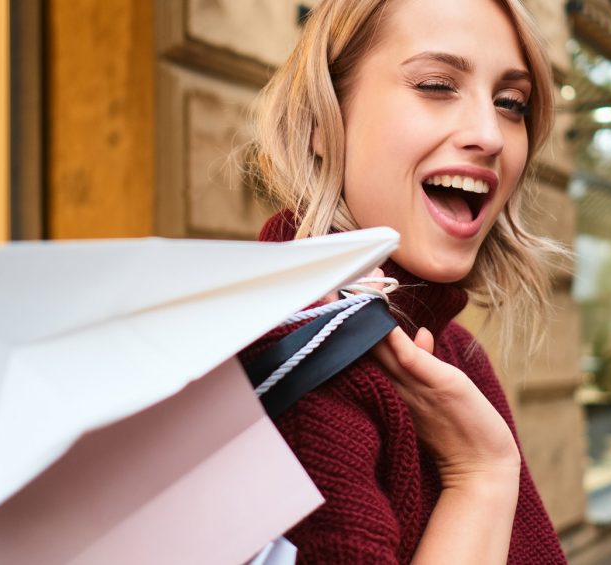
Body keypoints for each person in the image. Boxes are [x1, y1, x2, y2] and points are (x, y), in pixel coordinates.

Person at [237, 0, 568, 562]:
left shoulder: (454, 350)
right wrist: (480, 475)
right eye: (438, 85)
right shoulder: (299, 360)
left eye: (511, 103)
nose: (490, 135)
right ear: (322, 121)